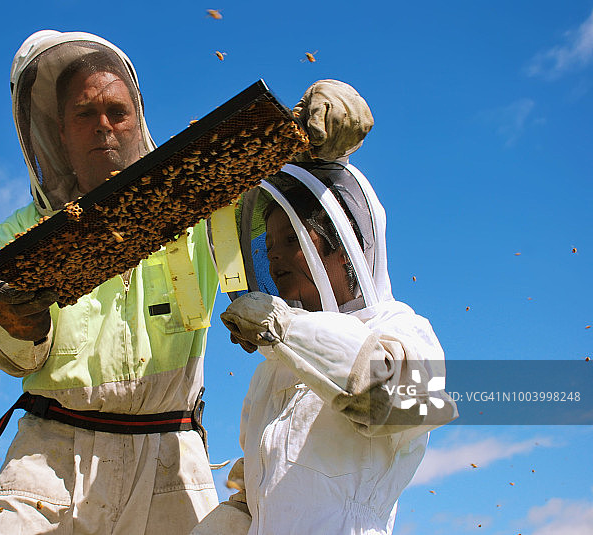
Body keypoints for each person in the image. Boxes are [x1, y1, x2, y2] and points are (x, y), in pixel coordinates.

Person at [0, 30, 221, 534]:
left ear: (138, 120)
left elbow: (280, 232)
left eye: (116, 111)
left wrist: (322, 157)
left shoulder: (200, 213)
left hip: (171, 462)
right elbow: (12, 357)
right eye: (85, 114)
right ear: (58, 132)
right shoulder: (20, 234)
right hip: (53, 460)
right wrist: (15, 322)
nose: (103, 126)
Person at [191, 81, 458, 535]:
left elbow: (397, 398)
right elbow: (255, 497)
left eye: (292, 239)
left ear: (343, 250)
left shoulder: (399, 327)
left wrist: (283, 327)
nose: (273, 256)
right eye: (268, 244)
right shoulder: (275, 368)